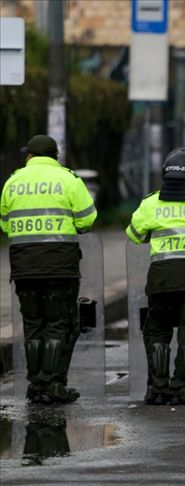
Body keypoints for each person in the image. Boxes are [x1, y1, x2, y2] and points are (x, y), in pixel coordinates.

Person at [0, 135, 97, 404]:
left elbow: (5, 224)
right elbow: (87, 219)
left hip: (23, 265)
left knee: (33, 324)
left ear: (30, 156)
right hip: (59, 265)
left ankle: (35, 386)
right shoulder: (68, 179)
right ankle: (52, 383)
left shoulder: (13, 181)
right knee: (58, 323)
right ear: (55, 156)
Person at [126, 147, 185, 405]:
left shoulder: (149, 203)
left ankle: (157, 389)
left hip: (163, 279)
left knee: (157, 331)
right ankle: (183, 389)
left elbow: (134, 235)